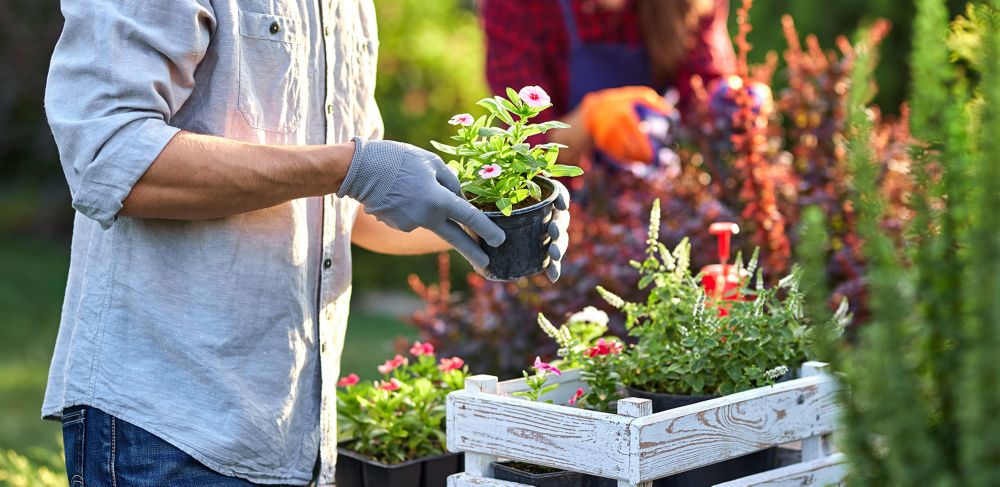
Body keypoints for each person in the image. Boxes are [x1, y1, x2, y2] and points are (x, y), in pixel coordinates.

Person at [42, 1, 570, 485]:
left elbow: (351, 211)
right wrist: (351, 167)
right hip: (166, 429)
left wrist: (490, 220)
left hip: (294, 437)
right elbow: (109, 156)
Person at [482, 0, 736, 166]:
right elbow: (526, 147)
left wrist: (735, 103)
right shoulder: (515, 7)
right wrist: (589, 120)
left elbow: (705, 91)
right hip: (572, 209)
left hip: (665, 183)